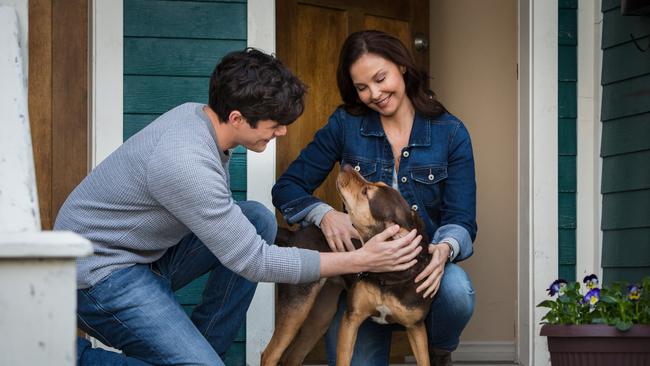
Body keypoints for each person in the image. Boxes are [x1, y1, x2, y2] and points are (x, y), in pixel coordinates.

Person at [54, 48, 425, 366]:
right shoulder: (185, 163)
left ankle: (204, 351)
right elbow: (254, 262)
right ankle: (72, 357)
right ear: (236, 118)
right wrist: (361, 260)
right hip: (99, 273)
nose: (281, 132)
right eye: (275, 124)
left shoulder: (199, 117)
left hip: (142, 255)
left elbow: (240, 240)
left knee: (257, 219)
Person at [272, 31, 477, 366]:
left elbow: (462, 219)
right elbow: (287, 187)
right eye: (362, 87)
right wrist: (323, 214)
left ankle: (438, 350)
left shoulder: (450, 132)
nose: (375, 94)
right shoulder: (345, 124)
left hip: (417, 271)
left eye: (381, 78)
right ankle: (372, 319)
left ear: (402, 67)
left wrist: (443, 250)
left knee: (457, 290)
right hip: (362, 274)